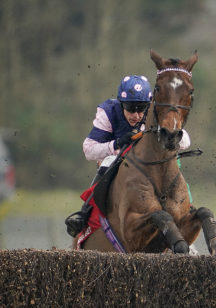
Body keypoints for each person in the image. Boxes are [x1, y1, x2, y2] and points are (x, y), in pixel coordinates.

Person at [65, 75, 191, 237]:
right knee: (109, 160)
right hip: (117, 162)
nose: (137, 115)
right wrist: (116, 144)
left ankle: (184, 207)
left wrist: (168, 137)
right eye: (130, 108)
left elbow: (186, 140)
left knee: (172, 165)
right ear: (121, 103)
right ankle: (85, 212)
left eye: (142, 108)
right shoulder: (108, 112)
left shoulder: (157, 112)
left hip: (148, 165)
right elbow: (89, 150)